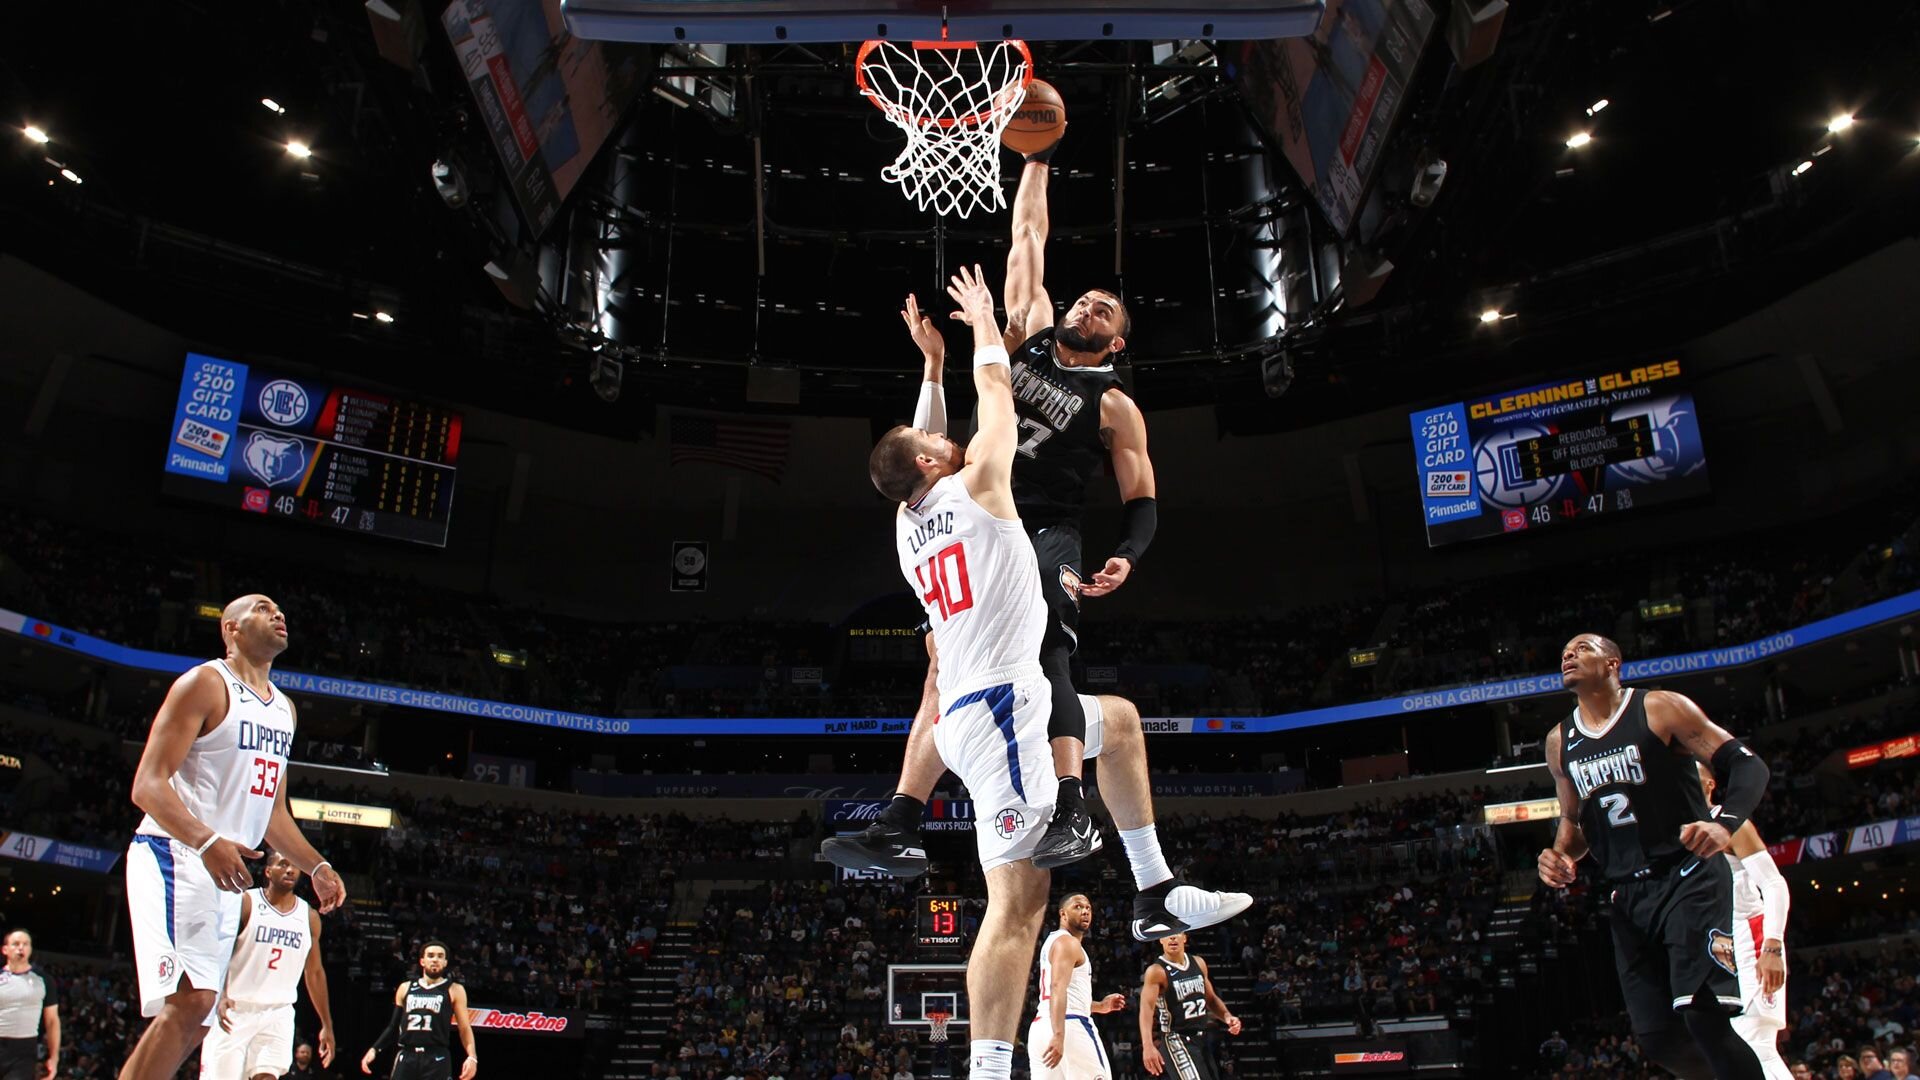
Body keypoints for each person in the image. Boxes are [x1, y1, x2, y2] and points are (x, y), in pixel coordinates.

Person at [825, 123, 1162, 876]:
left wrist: (1127, 558)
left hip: (1044, 531)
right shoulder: (1029, 334)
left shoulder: (1113, 405)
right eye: (1089, 298)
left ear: (1115, 345)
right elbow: (1028, 235)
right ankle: (902, 819)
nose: (1092, 306)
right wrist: (1036, 157)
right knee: (942, 669)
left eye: (1108, 311)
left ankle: (1072, 807)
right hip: (977, 514)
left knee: (1049, 652)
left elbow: (1143, 500)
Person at [121, 595, 346, 1080]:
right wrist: (207, 841)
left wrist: (318, 866)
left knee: (198, 1016)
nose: (279, 614)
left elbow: (272, 816)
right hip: (174, 853)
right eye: (264, 608)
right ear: (232, 628)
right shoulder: (205, 683)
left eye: (282, 609)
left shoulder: (284, 709)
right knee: (195, 1000)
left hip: (224, 873)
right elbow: (148, 784)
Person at [1537, 633, 1772, 1080]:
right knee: (1658, 1038)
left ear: (1613, 663)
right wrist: (1558, 854)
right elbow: (1574, 821)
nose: (1568, 653)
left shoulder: (1659, 708)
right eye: (1565, 649)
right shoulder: (1558, 740)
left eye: (1583, 648)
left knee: (1703, 1014)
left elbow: (1747, 764)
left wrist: (1725, 824)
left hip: (1688, 875)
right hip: (1627, 892)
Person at [199, 852, 334, 1080]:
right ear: (268, 871)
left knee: (268, 1076)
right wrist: (219, 995)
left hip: (278, 1011)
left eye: (294, 866)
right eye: (283, 864)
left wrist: (326, 1023)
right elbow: (217, 954)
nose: (290, 870)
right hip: (236, 1009)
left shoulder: (308, 917)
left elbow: (315, 972)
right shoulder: (246, 903)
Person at [1698, 764, 1792, 1080]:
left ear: (1709, 784)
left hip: (1750, 938)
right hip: (1714, 950)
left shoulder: (1728, 822)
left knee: (1755, 1043)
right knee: (1733, 1051)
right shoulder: (1674, 834)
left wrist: (1773, 945)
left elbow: (1774, 885)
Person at [1029, 894, 1126, 1080]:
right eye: (1078, 907)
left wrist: (1100, 1006)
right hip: (1069, 1025)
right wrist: (1059, 1034)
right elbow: (1058, 988)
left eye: (1088, 908)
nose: (1085, 911)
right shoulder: (1067, 942)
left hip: (1041, 1027)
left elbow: (1061, 994)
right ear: (1063, 914)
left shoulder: (1053, 942)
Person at [359, 942, 476, 1080]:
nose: (435, 959)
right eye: (431, 956)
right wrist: (374, 1049)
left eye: (440, 956)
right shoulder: (405, 988)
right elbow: (393, 1026)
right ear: (422, 961)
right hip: (407, 1054)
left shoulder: (454, 989)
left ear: (445, 962)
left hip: (437, 1055)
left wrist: (472, 1056)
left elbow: (464, 1028)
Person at [1139, 933, 1240, 1080]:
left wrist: (1227, 1016)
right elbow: (1146, 1009)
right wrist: (1147, 1045)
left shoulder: (1198, 963)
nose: (1172, 938)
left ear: (1184, 937)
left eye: (1176, 933)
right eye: (1167, 935)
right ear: (1161, 939)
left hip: (1201, 1039)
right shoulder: (1156, 971)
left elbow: (1210, 999)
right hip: (1176, 1039)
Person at [0, 930, 58, 1080]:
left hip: (24, 1051)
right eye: (16, 944)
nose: (21, 948)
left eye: (25, 944)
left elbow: (52, 1021)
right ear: (5, 949)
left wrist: (54, 1056)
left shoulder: (44, 980)